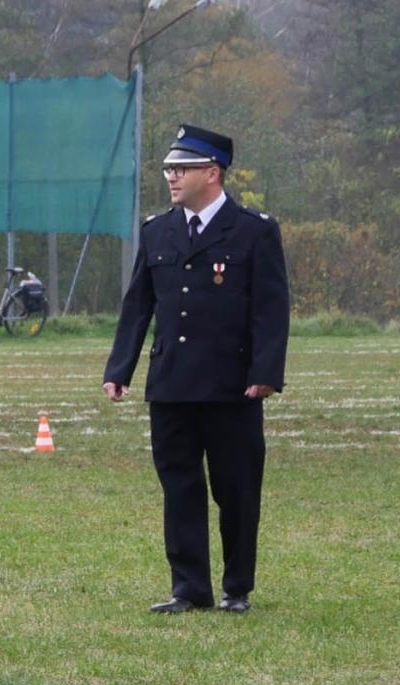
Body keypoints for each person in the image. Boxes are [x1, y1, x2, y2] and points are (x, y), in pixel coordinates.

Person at [103, 123, 289, 615]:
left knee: (236, 489)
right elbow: (138, 304)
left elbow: (272, 308)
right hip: (172, 384)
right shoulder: (157, 229)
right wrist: (119, 367)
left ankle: (237, 588)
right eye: (168, 168)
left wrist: (266, 371)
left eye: (181, 168)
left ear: (212, 172)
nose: (171, 176)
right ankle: (189, 588)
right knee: (180, 487)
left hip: (233, 386)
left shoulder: (254, 231)